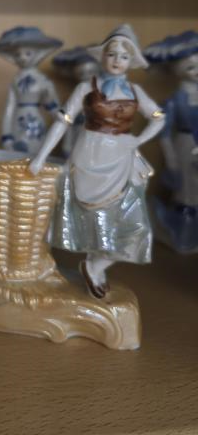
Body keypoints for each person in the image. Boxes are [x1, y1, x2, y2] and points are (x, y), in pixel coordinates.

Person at [29, 25, 165, 298]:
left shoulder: (135, 91)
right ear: (102, 57)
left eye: (124, 56)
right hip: (89, 155)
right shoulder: (85, 87)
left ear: (131, 61)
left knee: (133, 225)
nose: (117, 60)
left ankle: (96, 265)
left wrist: (138, 140)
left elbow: (159, 118)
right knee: (93, 220)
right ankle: (93, 264)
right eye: (111, 54)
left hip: (121, 159)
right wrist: (41, 157)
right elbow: (63, 122)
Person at [144, 31, 198, 250]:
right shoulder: (176, 99)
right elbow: (164, 133)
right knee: (187, 189)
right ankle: (185, 232)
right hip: (185, 145)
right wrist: (172, 160)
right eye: (190, 67)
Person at [0, 26, 62, 155]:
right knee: (18, 155)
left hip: (36, 123)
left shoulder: (42, 80)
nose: (23, 58)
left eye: (28, 53)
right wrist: (6, 135)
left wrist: (61, 119)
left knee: (37, 153)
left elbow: (53, 106)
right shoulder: (16, 81)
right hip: (18, 123)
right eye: (18, 54)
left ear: (38, 54)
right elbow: (9, 108)